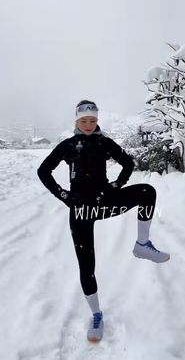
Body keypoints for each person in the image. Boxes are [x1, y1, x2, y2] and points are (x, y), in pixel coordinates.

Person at [37, 100, 170, 342]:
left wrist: (116, 185)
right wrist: (65, 196)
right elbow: (43, 171)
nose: (89, 124)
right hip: (80, 210)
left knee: (146, 192)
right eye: (84, 120)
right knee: (87, 267)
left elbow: (128, 164)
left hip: (105, 201)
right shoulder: (68, 146)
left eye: (93, 120)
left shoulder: (105, 143)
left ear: (97, 120)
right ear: (76, 121)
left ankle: (142, 245)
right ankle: (96, 314)